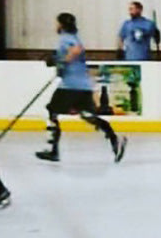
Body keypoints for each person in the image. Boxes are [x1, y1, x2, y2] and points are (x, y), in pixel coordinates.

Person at [37, 13, 126, 163]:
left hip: (70, 86)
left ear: (62, 25)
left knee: (52, 109)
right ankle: (114, 137)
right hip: (83, 86)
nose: (56, 26)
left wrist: (62, 62)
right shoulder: (74, 35)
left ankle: (54, 151)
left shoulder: (66, 37)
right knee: (86, 114)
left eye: (57, 23)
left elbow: (76, 50)